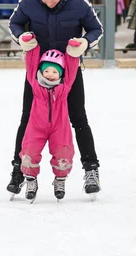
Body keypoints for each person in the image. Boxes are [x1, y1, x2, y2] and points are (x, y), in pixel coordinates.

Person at [8, 0, 103, 196]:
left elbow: (96, 29)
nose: (48, 2)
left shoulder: (79, 2)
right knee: (27, 118)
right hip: (37, 73)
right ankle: (19, 169)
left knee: (78, 118)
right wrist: (22, 38)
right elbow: (14, 23)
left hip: (69, 72)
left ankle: (91, 169)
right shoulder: (29, 0)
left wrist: (84, 43)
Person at [17, 34, 81, 201]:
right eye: (46, 70)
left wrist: (73, 51)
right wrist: (30, 45)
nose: (50, 75)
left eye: (55, 71)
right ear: (41, 71)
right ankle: (31, 180)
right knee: (29, 151)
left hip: (59, 127)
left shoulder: (64, 87)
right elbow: (31, 64)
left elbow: (72, 67)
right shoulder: (35, 84)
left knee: (63, 151)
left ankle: (60, 180)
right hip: (36, 126)